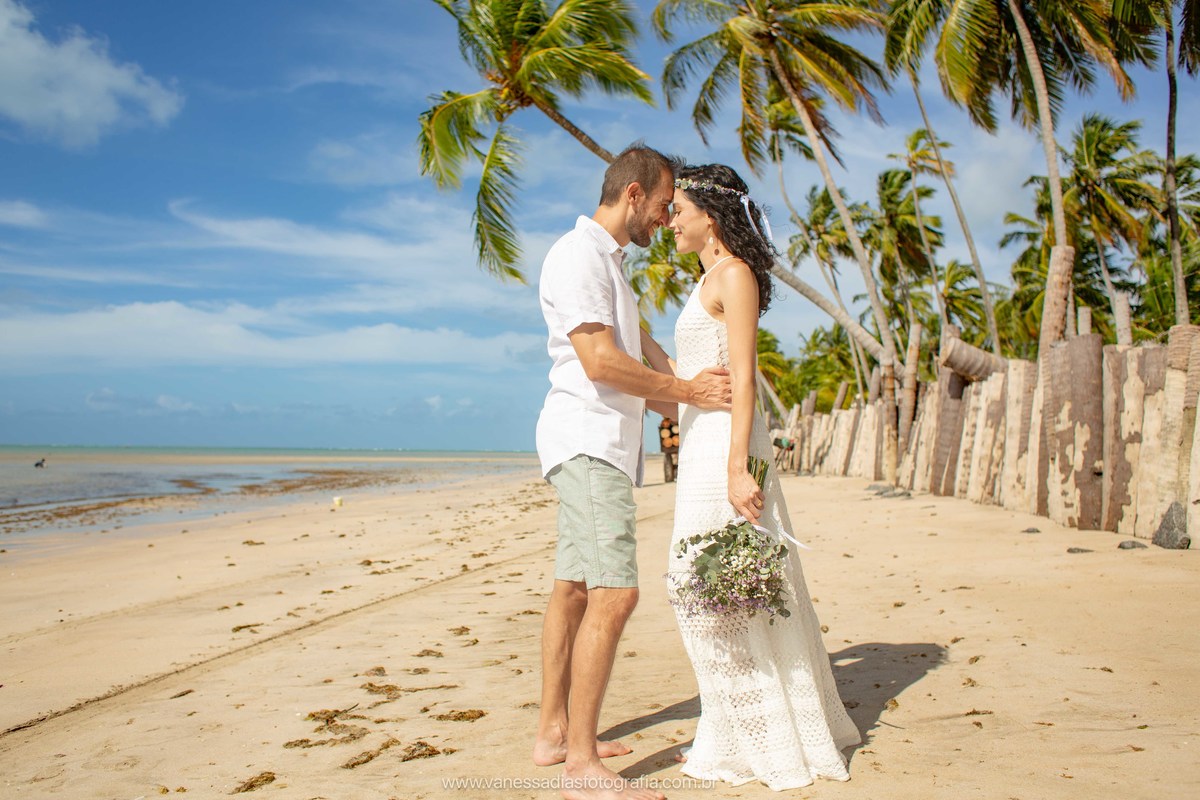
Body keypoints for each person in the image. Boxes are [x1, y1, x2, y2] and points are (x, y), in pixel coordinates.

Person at [532, 144, 733, 800]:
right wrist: (695, 395)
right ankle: (582, 766)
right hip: (588, 441)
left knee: (575, 590)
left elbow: (651, 369)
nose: (666, 219)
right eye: (664, 205)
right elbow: (600, 362)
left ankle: (555, 732)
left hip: (600, 443)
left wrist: (701, 399)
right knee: (615, 594)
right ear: (635, 194)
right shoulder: (579, 256)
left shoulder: (612, 268)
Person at [665, 164, 861, 790]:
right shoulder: (707, 279)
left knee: (721, 586)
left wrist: (736, 468)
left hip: (724, 450)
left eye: (679, 210)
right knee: (704, 587)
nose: (672, 220)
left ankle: (760, 734)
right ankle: (729, 728)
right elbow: (695, 373)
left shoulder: (736, 275)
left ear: (709, 216)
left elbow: (745, 380)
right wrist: (639, 341)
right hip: (698, 445)